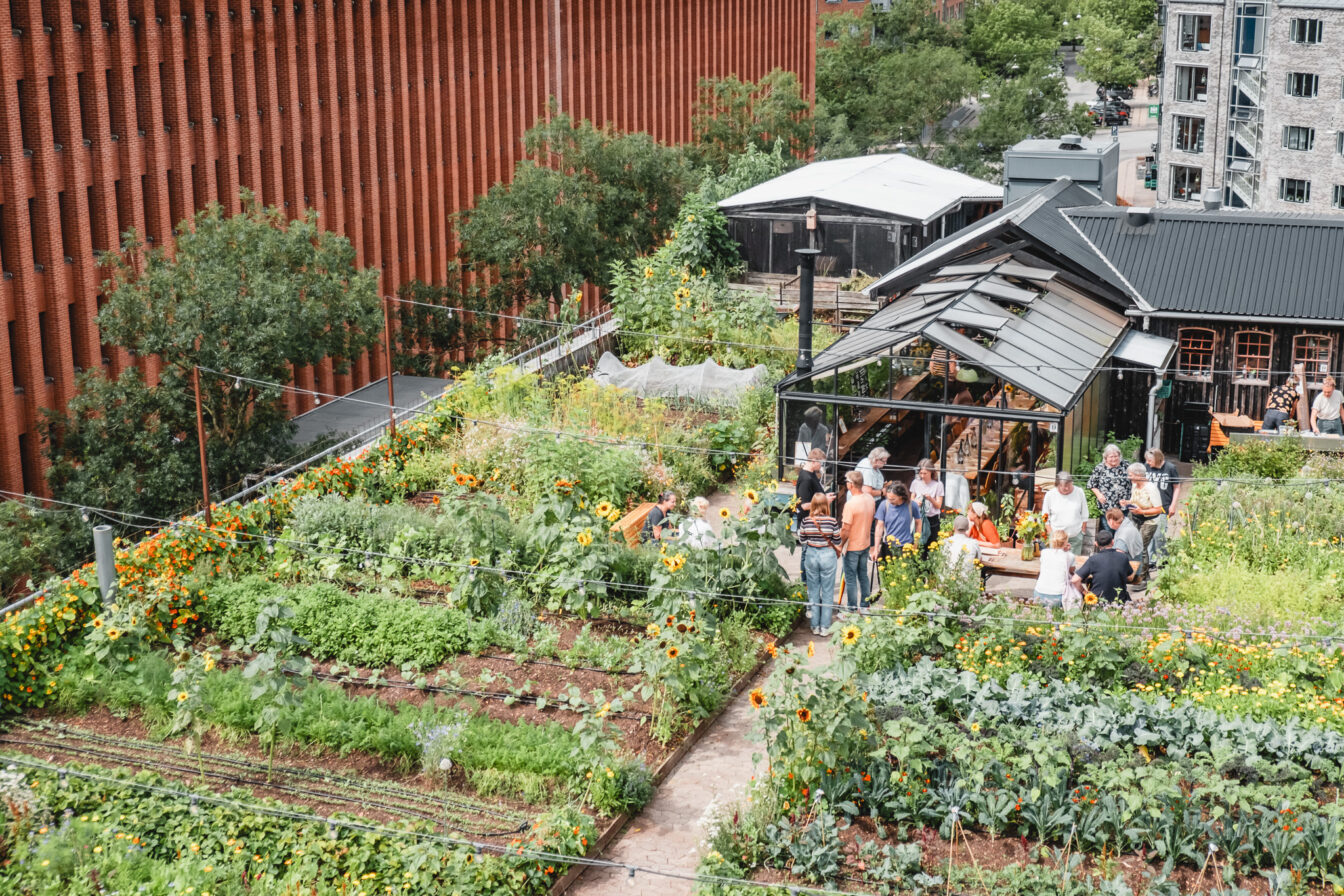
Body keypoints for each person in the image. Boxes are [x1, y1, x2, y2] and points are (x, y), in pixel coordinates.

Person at [796, 493, 842, 637]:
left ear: (813, 504)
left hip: (811, 556)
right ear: (826, 505)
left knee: (813, 591)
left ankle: (814, 626)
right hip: (828, 555)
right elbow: (837, 540)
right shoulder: (832, 521)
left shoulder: (806, 521)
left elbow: (802, 539)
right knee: (828, 592)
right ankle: (825, 627)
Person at [838, 471, 876, 613]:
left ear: (851, 484)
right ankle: (865, 605)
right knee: (863, 575)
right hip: (865, 543)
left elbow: (846, 529)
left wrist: (840, 545)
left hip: (852, 546)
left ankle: (852, 608)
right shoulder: (870, 499)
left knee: (850, 578)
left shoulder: (851, 504)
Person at [1072, 528, 1134, 604]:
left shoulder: (1093, 559)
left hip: (1098, 601)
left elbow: (1075, 580)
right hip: (1119, 601)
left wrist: (1084, 592)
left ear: (1096, 544)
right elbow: (1130, 576)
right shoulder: (1123, 557)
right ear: (1112, 542)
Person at [1120, 462, 1163, 566]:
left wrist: (1142, 511)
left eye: (1130, 475)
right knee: (1133, 546)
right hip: (1135, 518)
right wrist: (1127, 502)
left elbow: (1159, 509)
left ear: (1138, 475)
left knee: (1141, 548)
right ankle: (1139, 573)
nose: (1129, 477)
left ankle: (1142, 578)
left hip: (1149, 521)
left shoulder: (1151, 488)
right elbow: (1135, 500)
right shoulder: (1135, 485)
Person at [1144, 447, 1179, 564]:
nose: (1148, 463)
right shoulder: (1146, 467)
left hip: (1163, 506)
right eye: (1147, 461)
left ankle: (1164, 559)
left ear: (1158, 459)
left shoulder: (1170, 468)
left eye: (1150, 461)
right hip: (1148, 507)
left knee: (1159, 536)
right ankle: (1151, 561)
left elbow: (1177, 487)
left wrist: (1173, 505)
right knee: (1149, 535)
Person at [1041, 472, 1088, 554]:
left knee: (1074, 563)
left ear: (1072, 482)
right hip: (1057, 539)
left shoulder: (1079, 492)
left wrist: (1082, 531)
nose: (1066, 489)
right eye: (1064, 487)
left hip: (1075, 536)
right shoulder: (1050, 495)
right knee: (1057, 562)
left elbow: (1085, 513)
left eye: (1069, 486)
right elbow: (1045, 516)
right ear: (1058, 485)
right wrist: (1051, 533)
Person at [1088, 443, 1130, 535]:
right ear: (1105, 457)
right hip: (1107, 505)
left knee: (1123, 530)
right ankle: (1109, 548)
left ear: (1120, 456)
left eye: (1116, 456)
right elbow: (1091, 484)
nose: (1114, 459)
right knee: (1108, 531)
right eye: (1111, 457)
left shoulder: (1126, 465)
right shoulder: (1100, 468)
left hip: (1123, 505)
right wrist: (1099, 495)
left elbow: (1135, 479)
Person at [872, 482, 918, 562]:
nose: (890, 501)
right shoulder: (884, 505)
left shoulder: (912, 505)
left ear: (901, 496)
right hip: (887, 546)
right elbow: (879, 527)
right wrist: (876, 549)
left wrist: (916, 543)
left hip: (906, 546)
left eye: (893, 499)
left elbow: (919, 522)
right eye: (888, 498)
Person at [1033, 528, 1075, 608]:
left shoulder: (1044, 552)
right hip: (1057, 595)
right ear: (1066, 542)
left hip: (1039, 592)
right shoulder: (1069, 556)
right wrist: (1066, 550)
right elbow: (1071, 570)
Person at [910, 458, 945, 554]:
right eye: (921, 473)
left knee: (931, 548)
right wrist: (915, 502)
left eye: (925, 473)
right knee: (917, 546)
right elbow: (911, 498)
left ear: (931, 472)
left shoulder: (938, 485)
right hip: (918, 518)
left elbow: (938, 505)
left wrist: (930, 499)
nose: (922, 476)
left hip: (932, 519)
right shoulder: (915, 483)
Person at [1104, 508, 1145, 582]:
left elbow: (1117, 558)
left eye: (1107, 520)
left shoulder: (1122, 536)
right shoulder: (1128, 524)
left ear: (1111, 521)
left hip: (1131, 572)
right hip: (1137, 563)